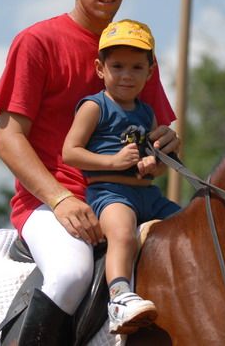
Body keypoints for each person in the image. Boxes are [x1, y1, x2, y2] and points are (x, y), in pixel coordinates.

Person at [0, 0, 179, 344]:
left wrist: (165, 143)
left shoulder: (135, 51)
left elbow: (156, 132)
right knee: (72, 273)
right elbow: (9, 139)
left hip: (131, 198)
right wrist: (59, 200)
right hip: (53, 203)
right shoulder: (38, 42)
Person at [63, 19, 181, 335]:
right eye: (117, 66)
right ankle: (118, 297)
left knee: (188, 224)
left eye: (135, 67)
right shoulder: (94, 106)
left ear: (149, 72)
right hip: (110, 192)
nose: (126, 75)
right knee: (123, 233)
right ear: (100, 69)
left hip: (149, 195)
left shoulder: (147, 113)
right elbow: (70, 152)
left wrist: (152, 165)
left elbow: (154, 160)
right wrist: (113, 162)